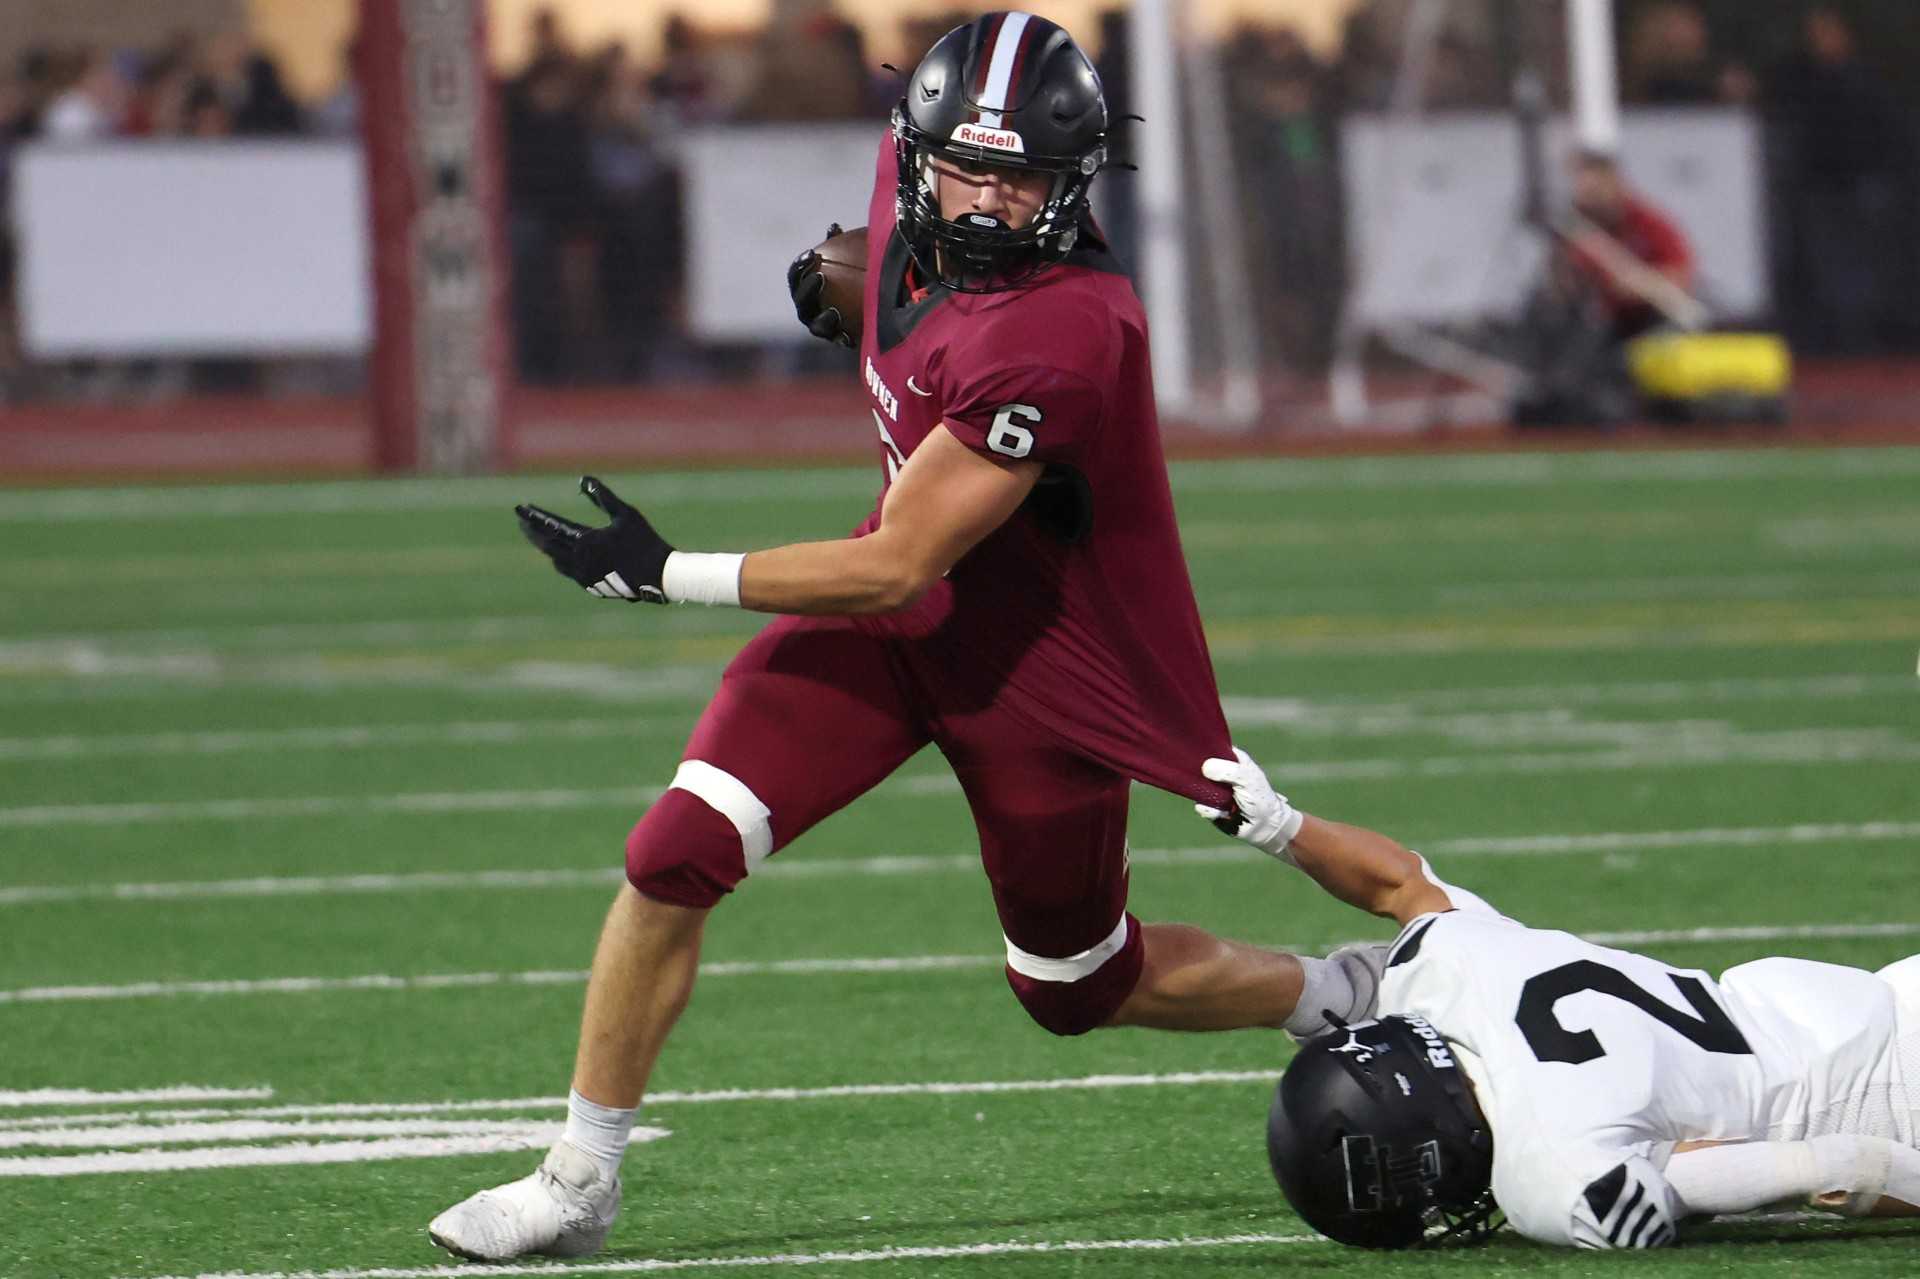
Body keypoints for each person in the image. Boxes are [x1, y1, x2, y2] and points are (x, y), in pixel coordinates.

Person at [426, 13, 1383, 1262]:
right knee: (676, 849)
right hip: (895, 633)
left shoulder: (1066, 329)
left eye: (1021, 179)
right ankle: (578, 1176)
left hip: (1035, 665)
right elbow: (894, 282)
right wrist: (855, 277)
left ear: (1072, 183)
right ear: (913, 150)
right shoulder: (906, 187)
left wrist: (663, 572)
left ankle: (1338, 992)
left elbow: (895, 569)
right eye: (964, 170)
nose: (986, 203)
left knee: (1073, 987)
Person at [1199, 749, 1920, 1250]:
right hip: (1880, 993)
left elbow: (1838, 1164)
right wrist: (1280, 826)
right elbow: (1399, 882)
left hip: (1887, 1096)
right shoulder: (1454, 965)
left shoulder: (1552, 1172)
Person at [1513, 149, 1699, 427]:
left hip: (1651, 321)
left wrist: (1638, 284)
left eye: (1595, 187)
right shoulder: (1579, 227)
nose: (1588, 195)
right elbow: (1565, 283)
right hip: (1604, 323)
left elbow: (1680, 277)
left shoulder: (1647, 222)